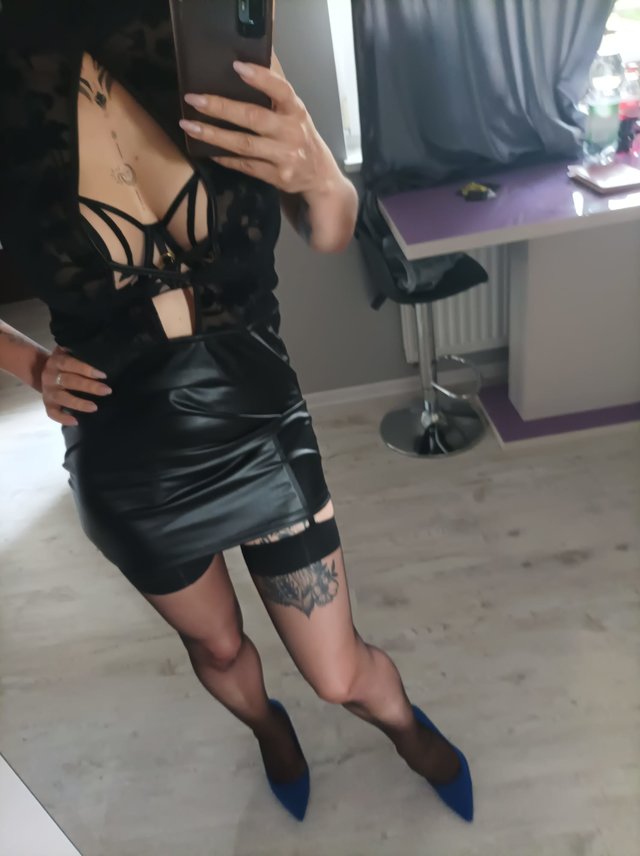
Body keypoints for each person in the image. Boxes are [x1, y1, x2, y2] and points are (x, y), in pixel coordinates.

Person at [0, 0, 472, 823]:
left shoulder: (205, 17)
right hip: (124, 449)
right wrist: (32, 365)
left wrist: (321, 174)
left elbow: (330, 228)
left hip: (257, 418)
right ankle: (266, 728)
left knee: (338, 673)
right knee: (217, 647)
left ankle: (403, 727)